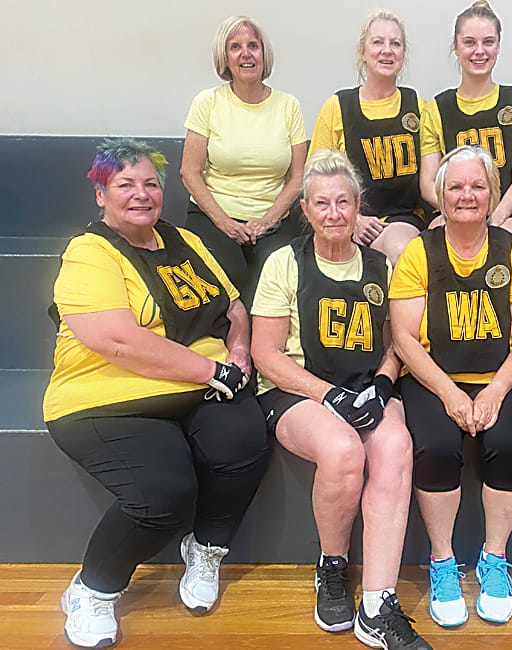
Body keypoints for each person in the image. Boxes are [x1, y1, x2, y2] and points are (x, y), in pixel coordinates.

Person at [44, 139, 270, 648]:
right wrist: (211, 370)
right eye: (125, 184)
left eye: (150, 184)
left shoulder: (183, 241)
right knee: (163, 495)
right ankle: (95, 588)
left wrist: (239, 354)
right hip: (106, 397)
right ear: (100, 194)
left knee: (244, 443)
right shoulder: (89, 252)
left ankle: (207, 548)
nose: (141, 194)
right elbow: (117, 340)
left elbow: (232, 307)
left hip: (198, 384)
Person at [250, 149, 430, 650]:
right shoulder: (284, 263)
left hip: (366, 386)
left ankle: (377, 604)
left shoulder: (382, 265)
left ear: (358, 208)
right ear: (304, 210)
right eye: (322, 203)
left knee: (394, 448)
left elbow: (399, 340)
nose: (333, 213)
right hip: (298, 391)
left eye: (343, 202)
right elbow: (265, 353)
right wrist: (330, 396)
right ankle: (332, 566)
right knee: (343, 449)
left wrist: (384, 383)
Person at [390, 146, 512, 626]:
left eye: (477, 186)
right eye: (455, 186)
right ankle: (442, 561)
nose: (466, 195)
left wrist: (495, 390)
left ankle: (494, 559)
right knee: (435, 447)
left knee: (511, 445)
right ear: (441, 194)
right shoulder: (419, 251)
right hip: (434, 378)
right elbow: (404, 338)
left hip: (499, 376)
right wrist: (451, 394)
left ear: (493, 193)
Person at [181, 15, 307, 302]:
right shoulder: (207, 102)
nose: (246, 54)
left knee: (275, 271)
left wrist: (264, 222)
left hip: (273, 221)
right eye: (235, 47)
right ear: (225, 57)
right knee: (229, 270)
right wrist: (227, 224)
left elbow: (298, 177)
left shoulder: (289, 105)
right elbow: (190, 173)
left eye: (253, 45)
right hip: (212, 218)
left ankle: (265, 345)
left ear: (264, 53)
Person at [418, 0, 512, 244]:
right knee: (434, 242)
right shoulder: (437, 108)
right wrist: (460, 210)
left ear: (498, 46)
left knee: (503, 241)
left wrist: (493, 215)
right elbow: (428, 182)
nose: (479, 50)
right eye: (469, 42)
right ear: (456, 46)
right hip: (450, 211)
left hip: (509, 214)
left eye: (488, 42)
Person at [310, 9, 426, 265]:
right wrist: (354, 219)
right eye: (377, 42)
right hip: (346, 220)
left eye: (395, 43)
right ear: (362, 52)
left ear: (403, 54)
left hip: (402, 218)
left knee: (402, 251)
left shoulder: (417, 105)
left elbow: (432, 174)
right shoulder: (338, 106)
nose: (387, 50)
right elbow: (315, 178)